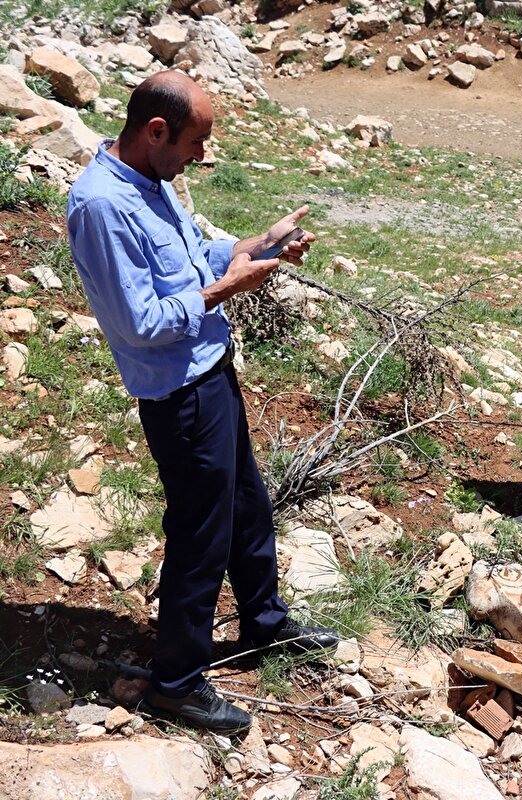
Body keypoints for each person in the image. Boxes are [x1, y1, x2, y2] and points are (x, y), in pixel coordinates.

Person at [67, 70, 339, 734]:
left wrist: (261, 245)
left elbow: (194, 257)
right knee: (200, 534)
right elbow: (142, 322)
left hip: (210, 373)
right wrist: (230, 288)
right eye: (195, 141)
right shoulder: (102, 206)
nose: (200, 155)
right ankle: (177, 682)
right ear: (157, 131)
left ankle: (264, 624)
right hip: (179, 396)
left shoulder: (150, 178)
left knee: (247, 504)